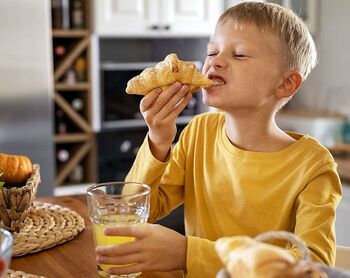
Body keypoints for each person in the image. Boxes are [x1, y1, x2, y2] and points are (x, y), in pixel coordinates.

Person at [95, 2, 342, 277]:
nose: (214, 61)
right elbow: (136, 210)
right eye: (212, 51)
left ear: (285, 84)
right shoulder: (200, 132)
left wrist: (186, 253)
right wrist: (158, 139)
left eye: (239, 54)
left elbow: (314, 267)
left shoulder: (314, 167)